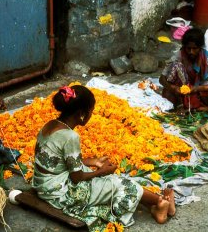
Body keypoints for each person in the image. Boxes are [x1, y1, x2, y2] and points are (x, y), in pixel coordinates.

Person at [32, 85, 175, 232]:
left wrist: (93, 161)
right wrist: (102, 172)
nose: (91, 115)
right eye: (91, 111)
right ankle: (160, 203)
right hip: (60, 195)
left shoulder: (50, 125)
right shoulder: (70, 136)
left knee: (104, 180)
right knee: (118, 183)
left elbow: (56, 160)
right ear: (82, 113)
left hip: (44, 186)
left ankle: (157, 204)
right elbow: (76, 177)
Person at [159, 28, 208, 110]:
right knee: (168, 97)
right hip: (182, 86)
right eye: (188, 48)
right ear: (184, 47)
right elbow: (162, 79)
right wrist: (173, 88)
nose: (191, 52)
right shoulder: (179, 55)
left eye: (194, 48)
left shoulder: (207, 58)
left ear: (200, 48)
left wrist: (196, 89)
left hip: (199, 87)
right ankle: (190, 104)